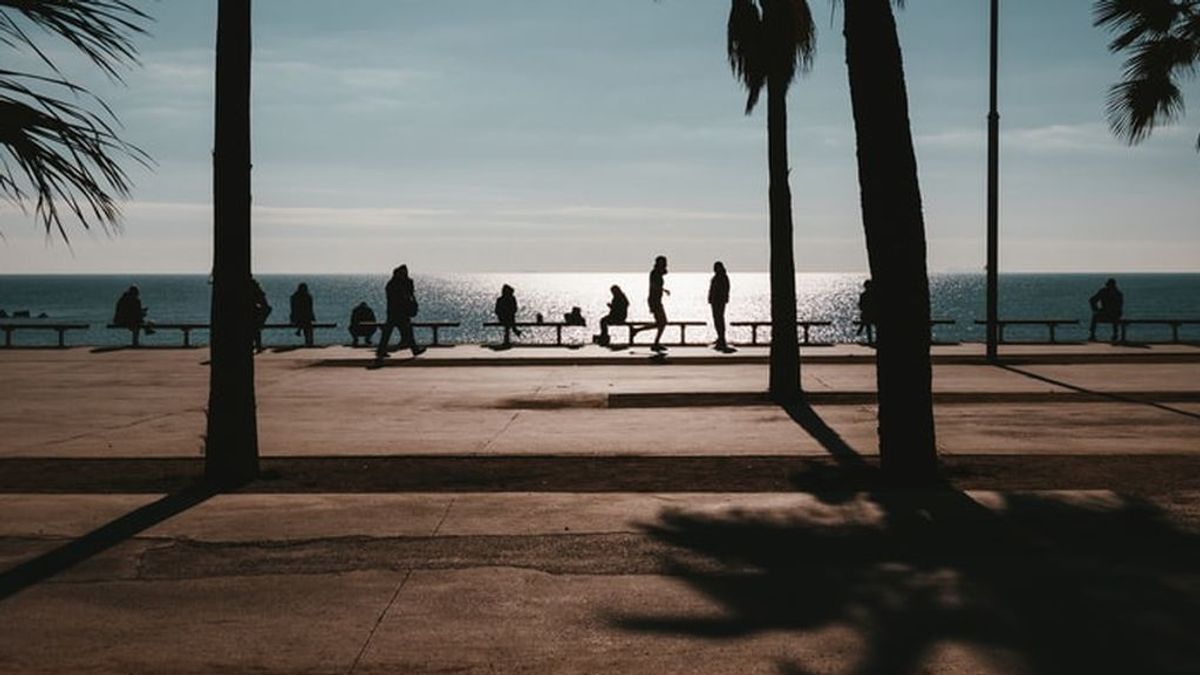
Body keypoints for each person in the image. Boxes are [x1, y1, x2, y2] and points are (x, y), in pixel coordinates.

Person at [376, 265, 425, 359]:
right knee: (390, 332)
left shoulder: (404, 283)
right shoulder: (392, 284)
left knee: (405, 331)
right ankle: (381, 351)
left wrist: (409, 284)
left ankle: (414, 349)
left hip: (401, 312)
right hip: (395, 312)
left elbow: (410, 293)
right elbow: (397, 297)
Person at [1089, 277, 1124, 342]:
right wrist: (1096, 309)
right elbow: (1092, 300)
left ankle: (1092, 335)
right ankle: (1115, 334)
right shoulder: (1117, 293)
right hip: (1110, 313)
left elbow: (1092, 300)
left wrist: (1095, 309)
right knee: (1115, 316)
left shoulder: (1105, 292)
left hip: (1108, 313)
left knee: (1095, 316)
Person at [648, 255, 670, 351]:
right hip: (654, 301)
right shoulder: (654, 273)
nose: (666, 264)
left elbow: (664, 273)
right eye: (664, 263)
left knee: (661, 322)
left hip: (656, 300)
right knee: (662, 322)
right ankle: (655, 343)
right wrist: (661, 289)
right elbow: (654, 285)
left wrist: (664, 290)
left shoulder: (657, 273)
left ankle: (656, 343)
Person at [708, 261, 731, 351]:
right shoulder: (719, 277)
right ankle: (720, 337)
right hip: (716, 301)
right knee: (717, 319)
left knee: (719, 319)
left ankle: (721, 338)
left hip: (718, 302)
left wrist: (721, 298)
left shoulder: (722, 277)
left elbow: (724, 289)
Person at [289, 282, 316, 347]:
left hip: (297, 318)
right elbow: (310, 309)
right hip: (305, 318)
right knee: (308, 326)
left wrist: (292, 318)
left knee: (305, 323)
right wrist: (313, 317)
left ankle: (300, 330)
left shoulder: (294, 297)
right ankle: (309, 343)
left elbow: (293, 309)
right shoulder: (308, 297)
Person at [251, 278, 271, 352]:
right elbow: (265, 305)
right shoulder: (257, 291)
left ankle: (257, 345)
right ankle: (258, 346)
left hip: (252, 315)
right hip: (254, 315)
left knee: (255, 330)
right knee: (256, 330)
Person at [857, 279, 877, 344]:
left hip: (867, 313)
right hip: (871, 313)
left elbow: (860, 305)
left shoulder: (863, 295)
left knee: (867, 324)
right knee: (869, 324)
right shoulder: (873, 295)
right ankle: (871, 340)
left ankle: (869, 339)